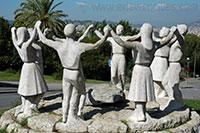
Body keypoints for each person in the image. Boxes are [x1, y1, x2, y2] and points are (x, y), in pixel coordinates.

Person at [36, 21, 109, 126]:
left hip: (65, 72)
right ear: (74, 33)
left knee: (66, 96)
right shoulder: (78, 46)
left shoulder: (59, 45)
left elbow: (43, 39)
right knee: (81, 93)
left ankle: (64, 117)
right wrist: (106, 34)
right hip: (75, 73)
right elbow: (96, 45)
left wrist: (38, 27)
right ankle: (78, 112)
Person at [110, 23, 176, 122]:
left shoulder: (138, 45)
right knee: (144, 92)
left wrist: (111, 31)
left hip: (138, 70)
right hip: (147, 70)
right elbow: (165, 41)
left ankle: (140, 114)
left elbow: (121, 42)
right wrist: (172, 33)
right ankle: (141, 111)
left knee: (139, 92)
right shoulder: (155, 45)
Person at [11, 23, 48, 117]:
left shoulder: (18, 45)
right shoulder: (26, 45)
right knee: (42, 89)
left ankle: (24, 106)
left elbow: (14, 40)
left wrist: (13, 31)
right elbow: (32, 39)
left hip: (25, 67)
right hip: (32, 67)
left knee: (24, 91)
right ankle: (34, 105)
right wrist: (36, 27)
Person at [95, 25, 140, 92]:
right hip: (114, 56)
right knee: (113, 74)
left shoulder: (125, 38)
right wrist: (95, 30)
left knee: (122, 73)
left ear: (123, 30)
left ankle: (122, 87)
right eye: (118, 29)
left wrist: (140, 33)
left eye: (121, 29)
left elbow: (134, 37)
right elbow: (102, 37)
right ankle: (115, 86)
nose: (119, 30)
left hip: (121, 56)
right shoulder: (112, 38)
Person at [162, 24, 188, 111]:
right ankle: (172, 98)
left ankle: (179, 102)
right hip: (171, 64)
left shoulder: (181, 41)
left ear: (182, 31)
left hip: (175, 65)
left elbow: (181, 40)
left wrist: (176, 33)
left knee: (174, 86)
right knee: (164, 82)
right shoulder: (175, 40)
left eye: (178, 28)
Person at [151, 27, 176, 100]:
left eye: (162, 30)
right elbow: (153, 38)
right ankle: (156, 92)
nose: (160, 31)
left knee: (161, 78)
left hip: (162, 60)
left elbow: (173, 38)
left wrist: (173, 32)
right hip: (156, 60)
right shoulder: (159, 40)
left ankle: (163, 93)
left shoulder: (167, 41)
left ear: (165, 33)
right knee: (154, 78)